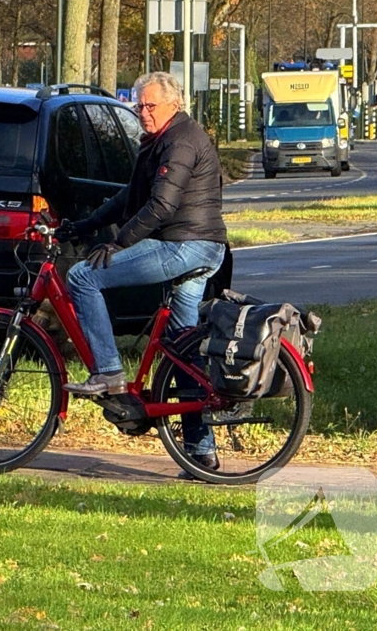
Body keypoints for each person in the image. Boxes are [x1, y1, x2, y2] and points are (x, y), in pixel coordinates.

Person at [56, 71, 228, 472]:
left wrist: (119, 244)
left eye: (151, 105)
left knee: (82, 276)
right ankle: (201, 451)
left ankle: (108, 372)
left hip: (184, 245)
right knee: (183, 350)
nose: (143, 112)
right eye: (139, 105)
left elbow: (161, 207)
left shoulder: (180, 141)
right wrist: (84, 225)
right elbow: (128, 197)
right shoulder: (160, 141)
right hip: (200, 245)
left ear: (175, 104)